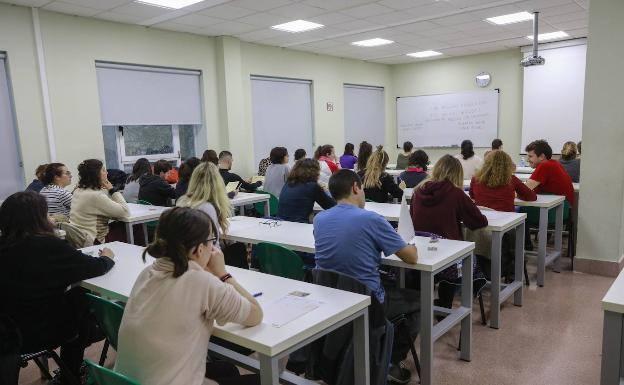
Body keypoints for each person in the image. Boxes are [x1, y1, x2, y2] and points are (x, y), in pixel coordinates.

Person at [114, 207, 262, 385]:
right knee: (267, 380)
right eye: (211, 242)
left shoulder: (147, 273)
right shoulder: (202, 282)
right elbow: (255, 315)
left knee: (225, 369)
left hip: (125, 380)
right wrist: (223, 274)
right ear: (199, 249)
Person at [314, 170, 419, 384]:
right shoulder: (371, 219)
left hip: (330, 297)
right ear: (355, 187)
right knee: (418, 302)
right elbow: (411, 258)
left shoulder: (319, 219)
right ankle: (391, 362)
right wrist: (410, 241)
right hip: (368, 302)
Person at [0, 191, 115, 385]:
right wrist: (107, 257)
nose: (50, 217)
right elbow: (93, 267)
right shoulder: (48, 246)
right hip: (36, 333)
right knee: (80, 296)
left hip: (7, 334)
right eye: (46, 214)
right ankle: (70, 371)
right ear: (37, 219)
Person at [410, 155, 488, 308]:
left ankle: (421, 305)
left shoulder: (418, 191)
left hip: (419, 251)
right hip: (448, 258)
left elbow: (412, 219)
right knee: (469, 258)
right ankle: (445, 303)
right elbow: (478, 222)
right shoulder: (456, 193)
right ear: (457, 173)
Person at [70, 159, 130, 244]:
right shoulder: (95, 196)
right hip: (95, 241)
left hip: (80, 238)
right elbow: (125, 212)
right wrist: (112, 189)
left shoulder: (78, 190)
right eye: (103, 170)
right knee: (136, 227)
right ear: (96, 174)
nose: (107, 173)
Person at [470, 150, 537, 211]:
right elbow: (532, 197)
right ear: (508, 164)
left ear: (486, 163)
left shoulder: (475, 179)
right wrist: (517, 194)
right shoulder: (511, 179)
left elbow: (472, 196)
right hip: (507, 220)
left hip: (484, 219)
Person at [277, 158, 335, 223]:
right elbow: (331, 206)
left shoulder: (288, 184)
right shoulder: (312, 186)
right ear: (315, 171)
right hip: (300, 225)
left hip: (281, 223)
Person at [525, 140, 575, 205]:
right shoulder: (554, 163)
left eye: (530, 156)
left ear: (542, 157)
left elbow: (523, 190)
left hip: (554, 209)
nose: (527, 159)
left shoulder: (545, 165)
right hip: (562, 207)